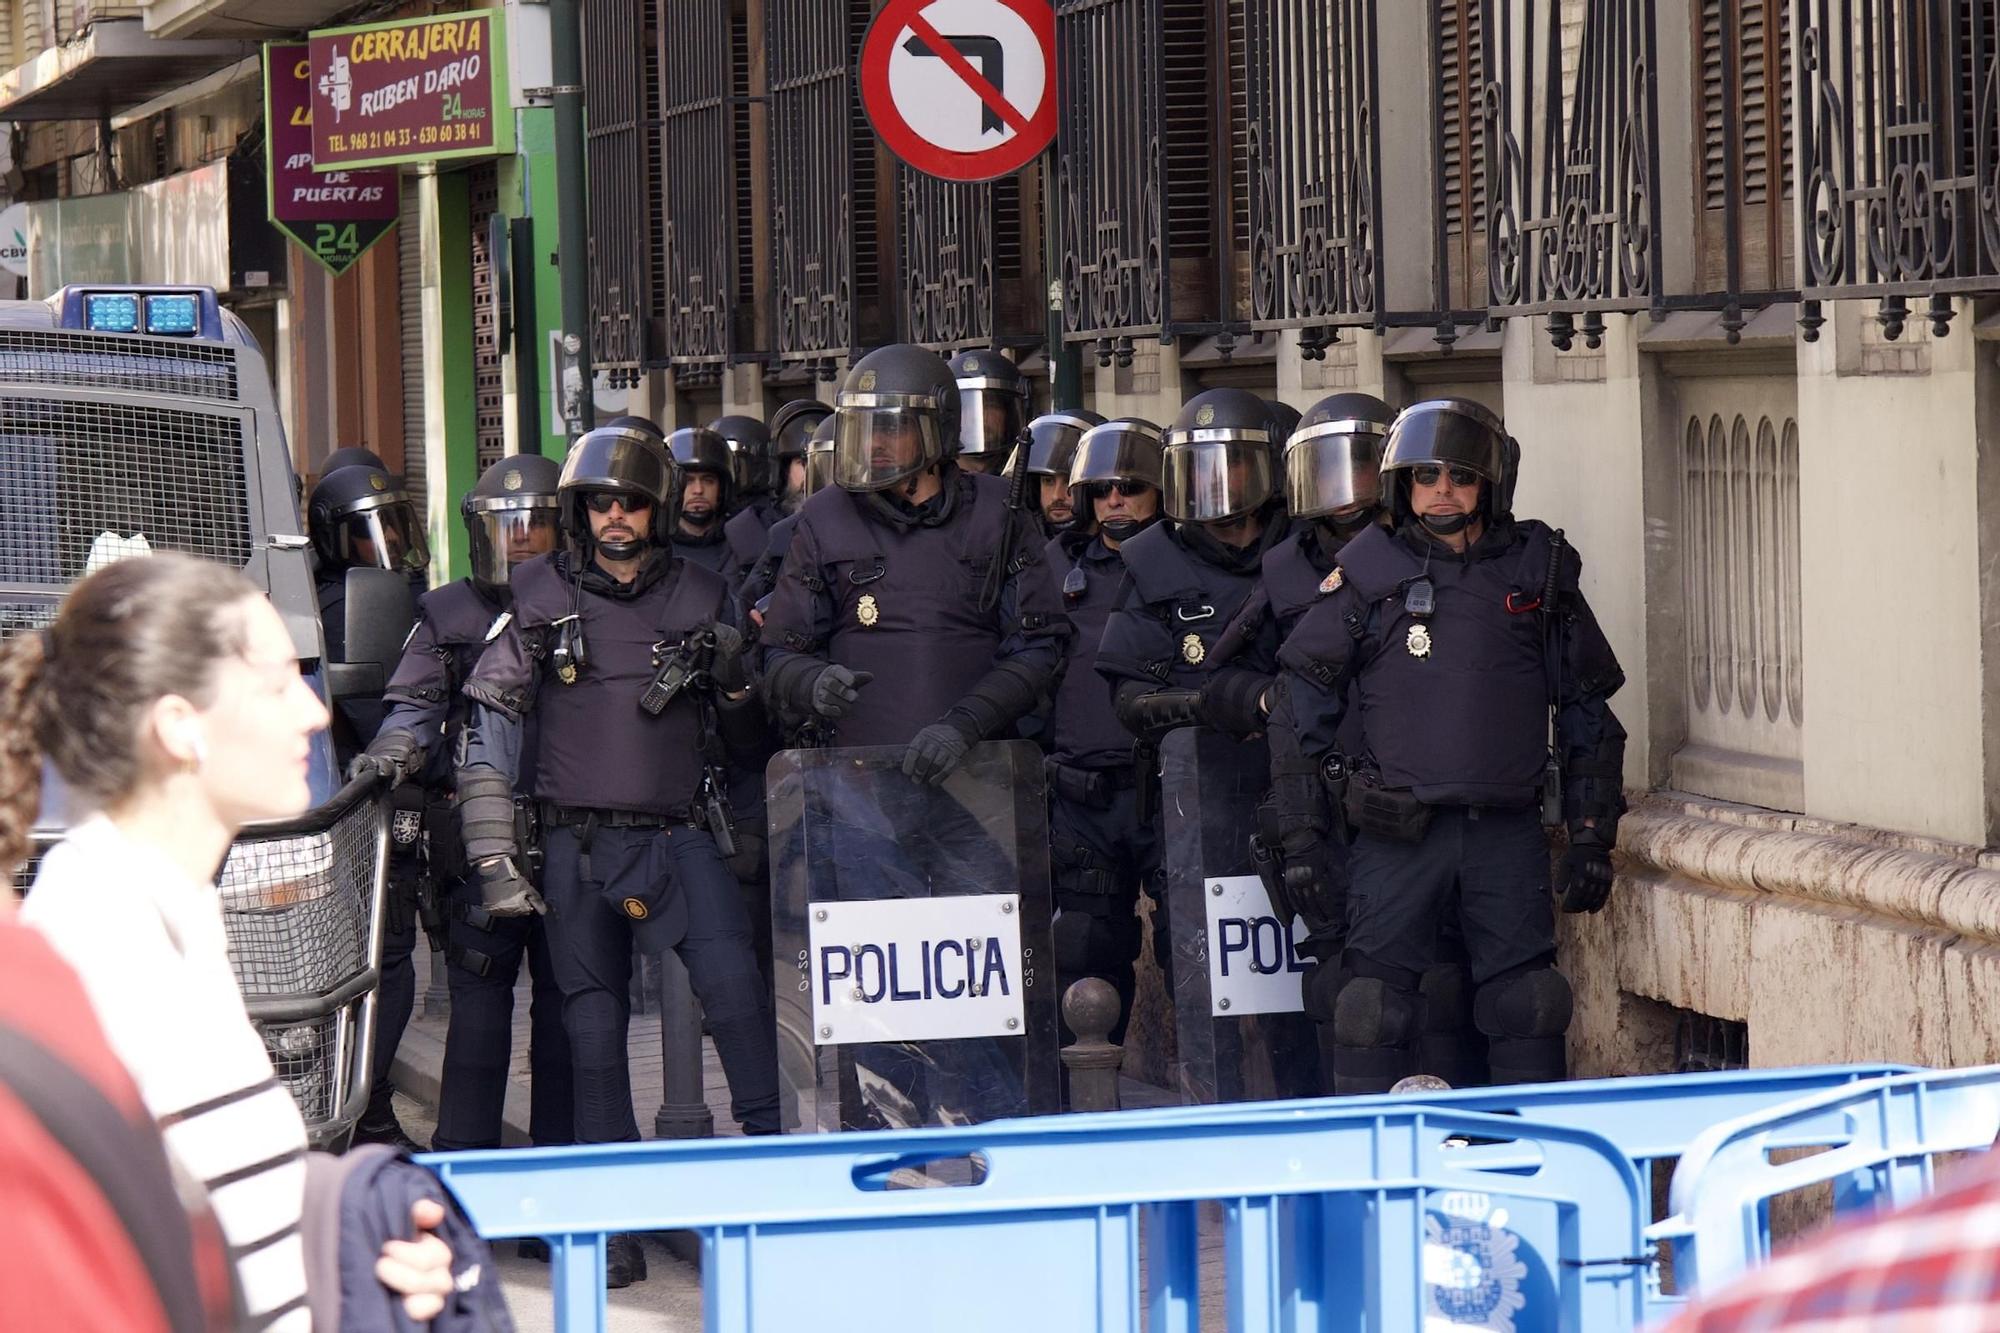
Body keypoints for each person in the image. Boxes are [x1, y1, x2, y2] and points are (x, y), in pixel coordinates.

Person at [3, 553, 458, 1329]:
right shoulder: (99, 944)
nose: (313, 712)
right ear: (181, 726)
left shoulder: (175, 910)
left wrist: (348, 1243)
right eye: (277, 683)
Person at [456, 424, 779, 1289]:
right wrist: (493, 851)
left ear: (658, 509)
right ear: (578, 510)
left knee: (741, 1002)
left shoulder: (708, 592)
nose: (616, 516)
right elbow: (488, 723)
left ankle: (781, 1195)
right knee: (593, 1036)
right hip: (575, 846)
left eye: (631, 500)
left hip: (678, 837)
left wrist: (739, 675)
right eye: (600, 501)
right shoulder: (534, 593)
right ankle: (613, 1226)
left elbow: (750, 743)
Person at [1267, 398, 1626, 1094]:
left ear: (1489, 484)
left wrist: (1590, 834)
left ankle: (1524, 1172)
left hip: (1506, 832)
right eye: (1425, 473)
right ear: (1401, 483)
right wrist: (1302, 836)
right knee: (1369, 1009)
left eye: (1460, 475)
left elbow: (1587, 708)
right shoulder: (1369, 572)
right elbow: (1296, 707)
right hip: (1396, 834)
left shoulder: (1536, 574)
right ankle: (1371, 1180)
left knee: (1530, 1004)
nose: (1442, 489)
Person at [351, 454, 575, 1165]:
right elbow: (411, 707)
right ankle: (469, 1177)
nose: (518, 541)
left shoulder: (586, 603)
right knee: (480, 1009)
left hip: (575, 832)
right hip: (478, 838)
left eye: (534, 526)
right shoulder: (447, 612)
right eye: (503, 527)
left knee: (569, 1015)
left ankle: (562, 1187)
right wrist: (387, 754)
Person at [761, 343, 1065, 765]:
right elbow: (778, 654)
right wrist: (811, 681)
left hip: (980, 773)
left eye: (891, 428)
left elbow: (1039, 648)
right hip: (859, 781)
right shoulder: (824, 517)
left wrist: (966, 724)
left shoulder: (999, 513)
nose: (874, 444)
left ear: (937, 428)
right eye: (863, 429)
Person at [1041, 417, 1165, 1046]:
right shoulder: (1054, 566)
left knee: (1188, 948)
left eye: (1131, 487)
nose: (1116, 500)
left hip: (1167, 791)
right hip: (1082, 796)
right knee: (1086, 950)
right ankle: (1088, 1104)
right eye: (1104, 488)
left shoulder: (1182, 558)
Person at [307, 459, 430, 756]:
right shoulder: (345, 604)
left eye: (394, 522)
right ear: (335, 537)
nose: (391, 536)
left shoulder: (397, 582)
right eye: (369, 527)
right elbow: (372, 718)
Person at [726, 401, 827, 584]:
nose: (812, 475)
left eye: (822, 464)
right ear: (783, 470)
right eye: (803, 464)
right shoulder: (748, 531)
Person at [666, 425, 739, 582]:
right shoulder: (655, 552)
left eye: (708, 480)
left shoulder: (742, 545)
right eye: (687, 480)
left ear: (722, 488)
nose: (698, 490)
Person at [1018, 409, 1107, 537]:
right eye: (1048, 481)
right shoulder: (1022, 548)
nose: (1057, 496)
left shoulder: (1124, 553)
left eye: (1069, 481)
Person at [948, 347, 1030, 476]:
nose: (976, 418)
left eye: (990, 405)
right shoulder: (932, 485)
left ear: (1008, 414)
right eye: (965, 407)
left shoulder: (1031, 477)